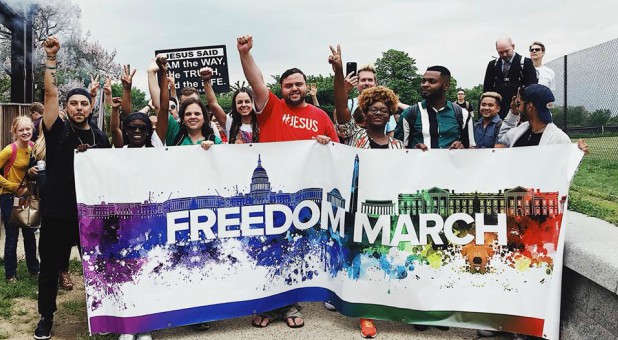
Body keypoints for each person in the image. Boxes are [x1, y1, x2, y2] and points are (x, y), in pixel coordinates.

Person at [237, 34, 336, 329]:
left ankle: (290, 303)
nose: (294, 88)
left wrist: (324, 142)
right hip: (270, 196)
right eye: (288, 85)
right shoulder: (271, 108)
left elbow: (335, 152)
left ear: (306, 87)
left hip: (302, 198)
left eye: (298, 84)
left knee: (293, 249)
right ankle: (267, 303)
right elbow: (255, 82)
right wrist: (244, 54)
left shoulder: (320, 116)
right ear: (281, 89)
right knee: (267, 247)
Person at [34, 36, 111, 340]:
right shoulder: (57, 132)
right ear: (66, 108)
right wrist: (51, 61)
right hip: (56, 214)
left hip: (88, 217)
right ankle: (46, 318)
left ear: (91, 107)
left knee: (98, 266)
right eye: (74, 104)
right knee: (51, 270)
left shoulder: (101, 137)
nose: (79, 108)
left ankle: (103, 314)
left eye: (84, 103)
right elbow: (49, 92)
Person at [329, 44, 404, 338]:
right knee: (360, 257)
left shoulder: (399, 146)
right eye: (372, 109)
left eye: (383, 110)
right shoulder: (354, 136)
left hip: (385, 210)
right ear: (365, 111)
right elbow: (339, 106)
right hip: (357, 209)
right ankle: (366, 314)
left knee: (383, 257)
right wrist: (338, 72)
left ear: (389, 116)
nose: (378, 113)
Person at [395, 66, 476, 150]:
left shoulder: (462, 114)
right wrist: (414, 152)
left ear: (446, 86)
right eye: (423, 81)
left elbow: (471, 147)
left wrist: (461, 149)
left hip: (452, 163)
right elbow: (398, 149)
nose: (425, 85)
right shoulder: (409, 114)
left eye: (432, 81)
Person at [0, 116, 39, 284]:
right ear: (14, 131)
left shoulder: (33, 147)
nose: (25, 132)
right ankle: (10, 274)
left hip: (27, 197)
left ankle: (34, 269)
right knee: (12, 236)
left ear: (32, 130)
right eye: (21, 130)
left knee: (30, 234)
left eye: (28, 129)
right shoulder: (9, 150)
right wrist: (12, 186)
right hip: (9, 197)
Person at [154, 56, 222, 148]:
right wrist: (163, 73)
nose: (193, 117)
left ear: (204, 117)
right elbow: (164, 106)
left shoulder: (215, 140)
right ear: (182, 117)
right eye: (188, 114)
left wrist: (213, 149)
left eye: (197, 114)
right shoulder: (174, 133)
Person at [497, 84, 588, 152]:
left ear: (529, 106)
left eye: (519, 104)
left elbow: (565, 170)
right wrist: (513, 113)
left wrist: (576, 153)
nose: (518, 108)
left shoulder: (559, 139)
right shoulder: (521, 129)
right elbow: (502, 137)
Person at [200, 67, 259, 144]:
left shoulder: (261, 122)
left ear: (253, 103)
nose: (243, 105)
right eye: (240, 102)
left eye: (247, 101)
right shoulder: (229, 122)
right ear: (235, 105)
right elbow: (213, 104)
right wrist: (206, 81)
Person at [483, 37, 538, 118]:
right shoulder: (492, 65)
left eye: (507, 51)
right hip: (498, 113)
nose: (504, 55)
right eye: (500, 52)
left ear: (513, 46)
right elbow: (486, 90)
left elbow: (533, 89)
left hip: (519, 112)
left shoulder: (526, 63)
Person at [342, 63, 398, 140]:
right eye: (363, 80)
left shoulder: (385, 105)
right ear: (357, 83)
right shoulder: (348, 104)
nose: (367, 83)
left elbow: (390, 132)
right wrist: (345, 90)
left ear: (376, 83)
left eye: (370, 80)